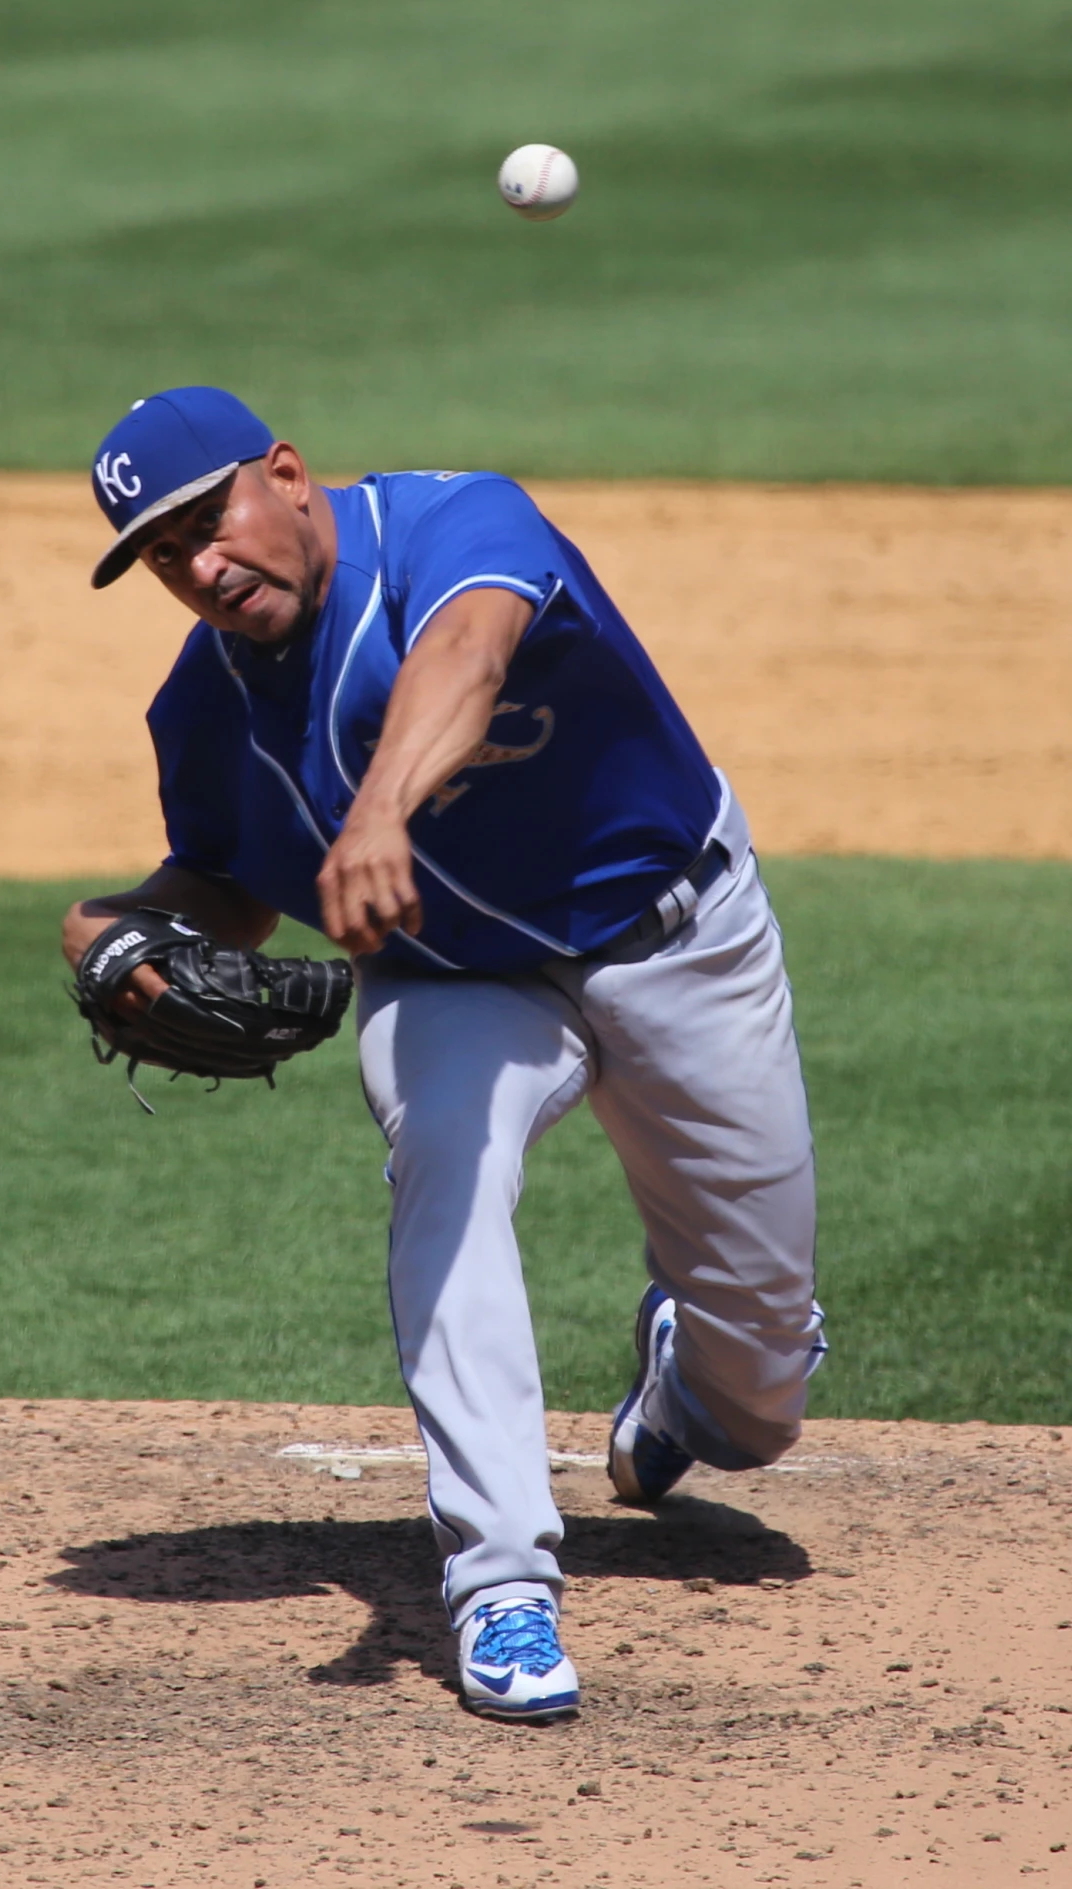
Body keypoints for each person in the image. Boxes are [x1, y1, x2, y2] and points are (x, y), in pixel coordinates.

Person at [63, 387, 826, 1721]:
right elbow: (225, 888)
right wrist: (107, 929)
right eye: (165, 554)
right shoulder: (202, 711)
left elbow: (467, 659)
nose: (202, 564)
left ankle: (691, 1378)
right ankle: (501, 1583)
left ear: (288, 475)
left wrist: (378, 814)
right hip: (455, 984)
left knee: (759, 1401)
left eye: (207, 519)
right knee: (444, 1163)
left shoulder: (457, 522)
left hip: (677, 938)